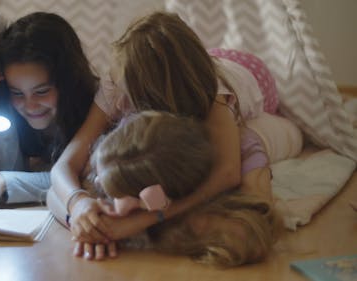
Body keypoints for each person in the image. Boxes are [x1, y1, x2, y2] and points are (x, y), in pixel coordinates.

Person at [46, 11, 302, 256]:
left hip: (249, 71)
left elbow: (227, 173)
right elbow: (64, 166)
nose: (120, 99)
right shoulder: (116, 81)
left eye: (128, 95)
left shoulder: (214, 97)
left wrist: (145, 220)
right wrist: (77, 208)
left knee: (250, 135)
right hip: (191, 66)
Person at [88, 111, 282, 266]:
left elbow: (256, 232)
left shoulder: (244, 155)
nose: (97, 183)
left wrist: (146, 219)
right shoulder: (128, 143)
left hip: (257, 103)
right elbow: (63, 177)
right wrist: (83, 214)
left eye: (117, 194)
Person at [0, 12, 98, 214]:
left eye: (41, 91)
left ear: (68, 83)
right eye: (16, 92)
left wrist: (3, 180)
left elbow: (78, 179)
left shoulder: (96, 113)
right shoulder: (12, 108)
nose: (30, 106)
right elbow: (11, 168)